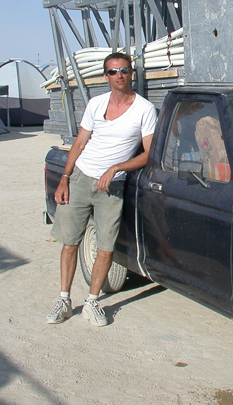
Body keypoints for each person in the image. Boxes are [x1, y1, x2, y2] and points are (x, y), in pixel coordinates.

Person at [46, 53, 157, 326]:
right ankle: (63, 300)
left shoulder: (144, 109)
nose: (119, 75)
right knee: (70, 242)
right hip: (82, 178)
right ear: (105, 76)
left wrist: (116, 167)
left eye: (124, 70)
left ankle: (92, 302)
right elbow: (80, 143)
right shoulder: (96, 104)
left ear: (131, 74)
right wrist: (65, 178)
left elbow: (148, 153)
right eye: (113, 71)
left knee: (106, 248)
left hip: (112, 186)